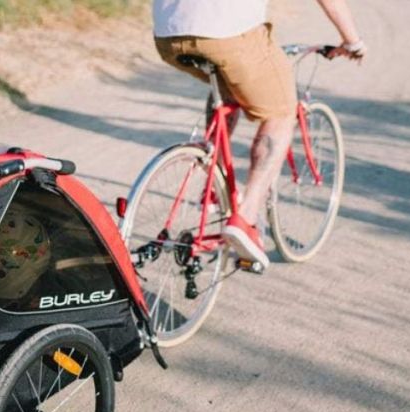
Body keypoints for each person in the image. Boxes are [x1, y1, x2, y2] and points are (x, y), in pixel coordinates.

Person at [153, 0, 365, 269]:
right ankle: (246, 217)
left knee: (227, 84)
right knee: (281, 112)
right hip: (228, 33)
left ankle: (216, 180)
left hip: (169, 34)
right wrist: (353, 41)